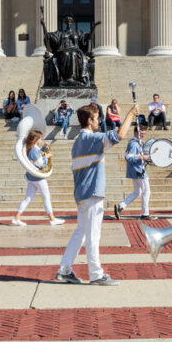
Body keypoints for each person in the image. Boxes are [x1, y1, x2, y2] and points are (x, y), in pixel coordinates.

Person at [57, 102, 140, 286]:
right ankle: (95, 274)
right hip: (92, 193)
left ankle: (64, 269)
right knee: (93, 234)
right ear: (89, 120)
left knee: (81, 233)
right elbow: (119, 135)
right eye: (96, 118)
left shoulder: (78, 142)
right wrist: (131, 114)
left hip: (82, 193)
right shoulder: (90, 139)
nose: (100, 121)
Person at [12, 130, 65, 226]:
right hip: (38, 178)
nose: (41, 139)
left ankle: (16, 217)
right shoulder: (33, 150)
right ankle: (52, 219)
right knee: (46, 197)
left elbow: (38, 157)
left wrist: (45, 148)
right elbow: (40, 163)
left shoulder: (30, 148)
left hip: (31, 177)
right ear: (36, 139)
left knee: (28, 198)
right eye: (40, 138)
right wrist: (47, 156)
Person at [114, 125, 155, 221]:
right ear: (136, 133)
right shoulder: (133, 144)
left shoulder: (137, 143)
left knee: (137, 192)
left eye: (144, 132)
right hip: (139, 170)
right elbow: (128, 157)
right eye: (142, 132)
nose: (143, 134)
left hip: (137, 170)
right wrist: (142, 157)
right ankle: (145, 213)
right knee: (146, 191)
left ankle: (120, 206)